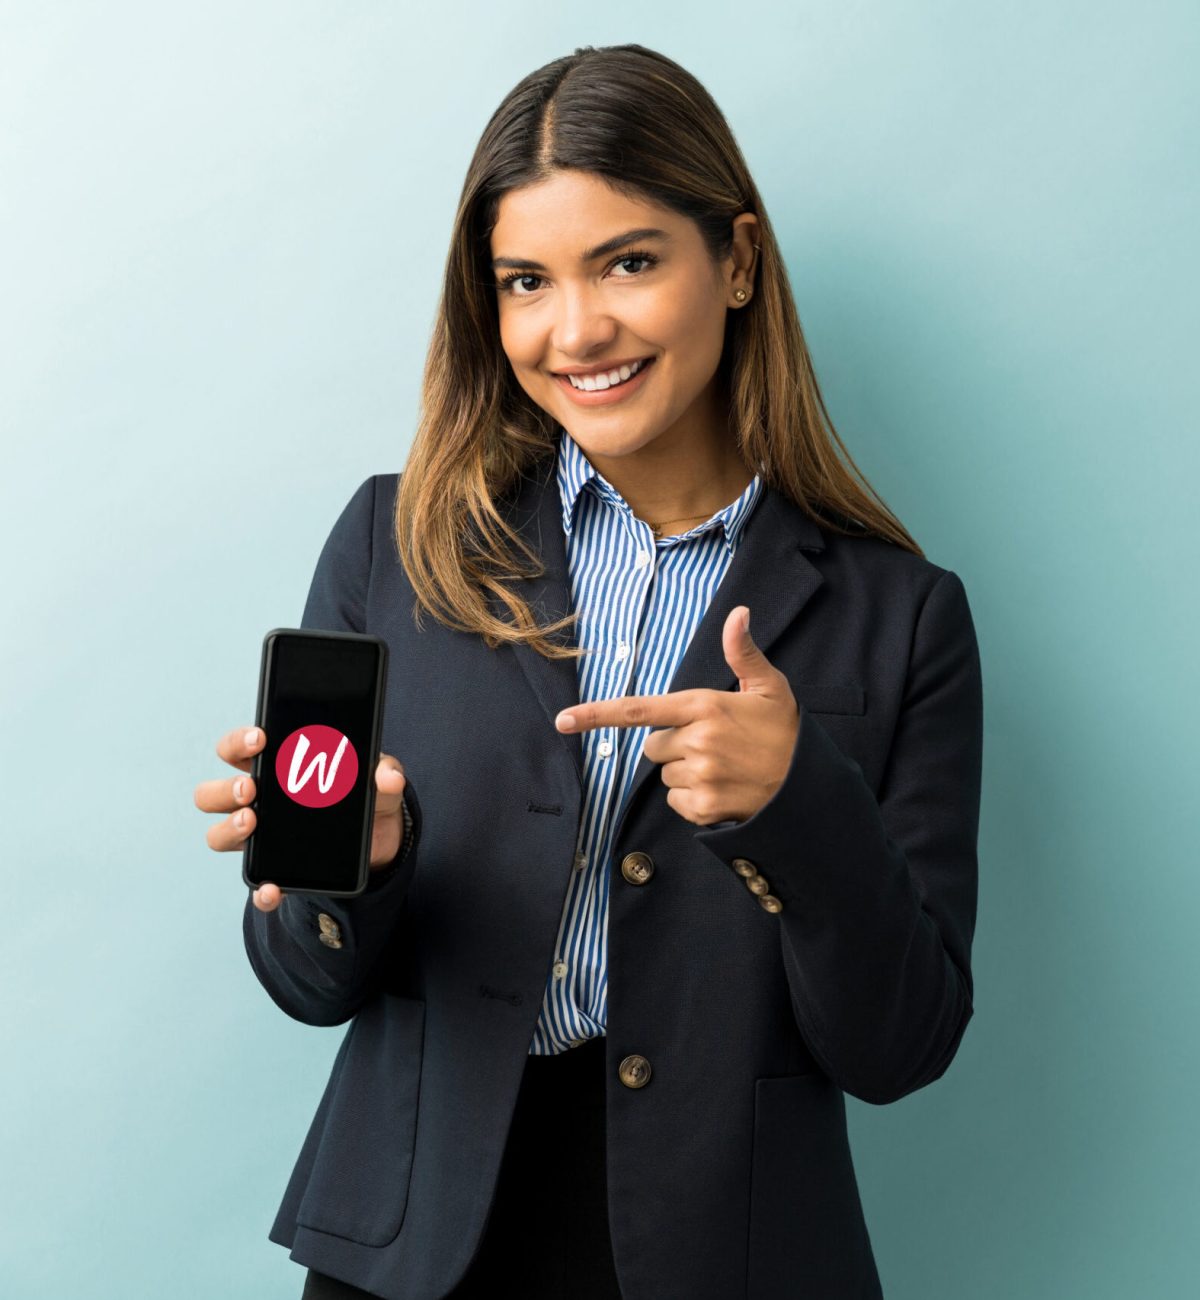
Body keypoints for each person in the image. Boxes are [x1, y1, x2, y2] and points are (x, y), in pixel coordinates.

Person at [195, 42, 984, 1300]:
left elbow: (901, 1045)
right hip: (413, 1244)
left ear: (735, 261)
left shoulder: (903, 617)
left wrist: (801, 807)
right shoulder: (398, 546)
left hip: (726, 1251)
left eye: (628, 261)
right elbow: (310, 978)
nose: (577, 330)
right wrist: (358, 866)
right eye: (526, 280)